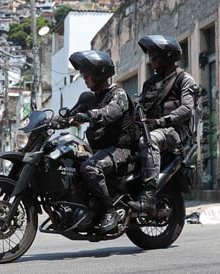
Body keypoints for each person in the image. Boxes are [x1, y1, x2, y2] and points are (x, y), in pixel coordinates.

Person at [128, 35, 198, 212]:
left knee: (148, 141)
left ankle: (149, 195)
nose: (151, 59)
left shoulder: (184, 79)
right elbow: (138, 106)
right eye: (150, 55)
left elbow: (187, 109)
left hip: (175, 132)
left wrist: (162, 120)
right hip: (152, 128)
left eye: (154, 56)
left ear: (167, 56)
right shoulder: (150, 83)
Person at [69, 50, 136, 233]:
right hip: (99, 149)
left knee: (90, 168)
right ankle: (84, 210)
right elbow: (74, 114)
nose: (84, 77)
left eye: (87, 74)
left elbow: (111, 112)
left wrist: (89, 115)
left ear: (100, 73)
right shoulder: (91, 98)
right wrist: (54, 121)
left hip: (119, 149)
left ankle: (109, 210)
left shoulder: (118, 94)